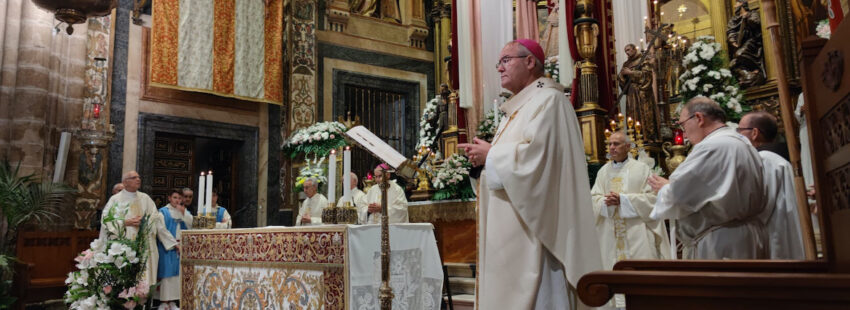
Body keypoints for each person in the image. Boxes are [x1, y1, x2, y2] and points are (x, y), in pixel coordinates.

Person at [458, 39, 601, 309]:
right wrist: (482, 164)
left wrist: (492, 156)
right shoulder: (516, 109)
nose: (499, 68)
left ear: (530, 61)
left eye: (506, 60)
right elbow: (509, 162)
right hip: (510, 229)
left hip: (536, 231)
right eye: (499, 62)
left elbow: (540, 161)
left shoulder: (549, 101)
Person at [648, 97, 767, 259]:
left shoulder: (711, 147)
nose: (684, 132)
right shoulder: (740, 142)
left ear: (698, 118)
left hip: (720, 243)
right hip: (746, 236)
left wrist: (665, 188)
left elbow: (679, 196)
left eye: (682, 124)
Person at [592, 131, 671, 273]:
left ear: (628, 146)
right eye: (609, 144)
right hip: (610, 233)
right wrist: (605, 202)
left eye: (616, 144)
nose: (611, 147)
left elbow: (653, 198)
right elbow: (593, 199)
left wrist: (623, 200)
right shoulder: (603, 172)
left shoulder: (641, 169)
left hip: (636, 232)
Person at [738, 111, 805, 259]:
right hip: (783, 228)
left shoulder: (764, 160)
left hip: (774, 233)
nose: (738, 136)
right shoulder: (778, 159)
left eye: (740, 130)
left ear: (754, 133)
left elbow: (760, 205)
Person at [99, 171, 177, 289]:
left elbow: (157, 220)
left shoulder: (145, 198)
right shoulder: (115, 200)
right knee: (123, 280)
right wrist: (125, 222)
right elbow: (106, 221)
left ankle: (142, 304)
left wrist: (172, 242)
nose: (138, 179)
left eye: (139, 177)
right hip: (124, 245)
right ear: (125, 182)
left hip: (144, 245)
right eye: (134, 177)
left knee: (143, 280)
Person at [156, 190, 193, 310]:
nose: (177, 200)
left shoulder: (183, 211)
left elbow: (192, 225)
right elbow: (161, 230)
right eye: (175, 197)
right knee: (167, 273)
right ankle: (163, 302)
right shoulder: (162, 212)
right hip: (168, 247)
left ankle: (173, 301)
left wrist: (184, 214)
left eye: (179, 198)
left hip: (181, 247)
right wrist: (174, 244)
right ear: (169, 198)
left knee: (177, 275)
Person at [618, 43, 658, 142]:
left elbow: (647, 76)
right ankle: (634, 137)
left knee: (644, 114)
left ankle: (648, 137)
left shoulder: (643, 60)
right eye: (625, 51)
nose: (627, 52)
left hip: (642, 93)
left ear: (634, 49)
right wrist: (622, 76)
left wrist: (631, 73)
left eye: (629, 49)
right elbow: (622, 81)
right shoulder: (626, 64)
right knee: (633, 115)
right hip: (631, 94)